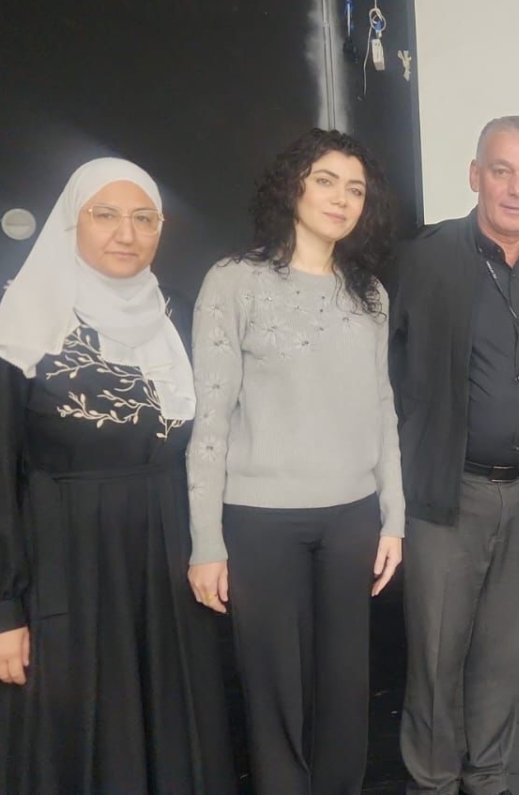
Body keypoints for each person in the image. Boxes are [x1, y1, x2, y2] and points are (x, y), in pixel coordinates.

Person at [0, 157, 234, 793]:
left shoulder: (178, 314)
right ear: (71, 223)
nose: (126, 234)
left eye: (144, 218)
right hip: (64, 561)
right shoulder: (24, 313)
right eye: (105, 215)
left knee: (173, 726)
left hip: (167, 556)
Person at [185, 128, 405, 795]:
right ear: (292, 188)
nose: (342, 199)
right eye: (326, 181)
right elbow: (210, 418)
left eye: (356, 189)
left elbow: (384, 409)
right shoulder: (234, 281)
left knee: (345, 687)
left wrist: (393, 519)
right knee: (274, 689)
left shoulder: (369, 294)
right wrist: (205, 540)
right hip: (260, 522)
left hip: (352, 519)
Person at [391, 115, 519, 795]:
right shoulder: (426, 256)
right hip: (449, 491)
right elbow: (387, 366)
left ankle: (488, 777)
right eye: (502, 170)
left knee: (503, 656)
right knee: (437, 656)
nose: (517, 188)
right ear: (475, 175)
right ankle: (434, 781)